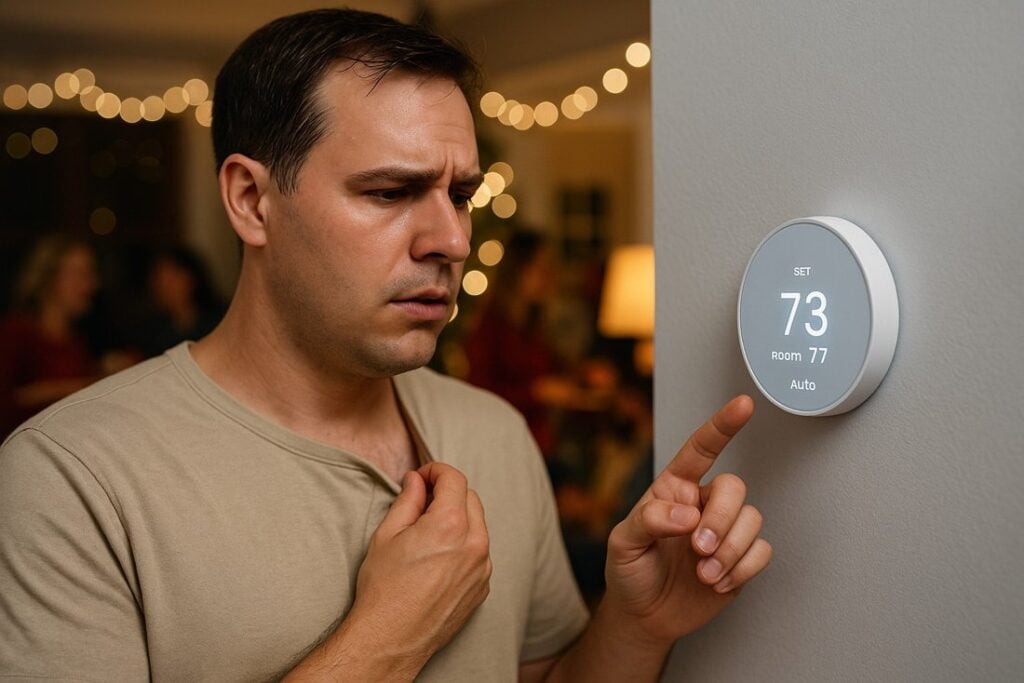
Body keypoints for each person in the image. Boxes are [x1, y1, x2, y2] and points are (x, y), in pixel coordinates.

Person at [0, 9, 772, 681]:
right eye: (390, 191)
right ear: (251, 200)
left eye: (460, 194)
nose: (452, 239)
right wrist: (386, 637)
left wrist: (637, 622)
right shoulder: (72, 479)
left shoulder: (494, 434)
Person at [0, 235, 105, 436]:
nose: (92, 284)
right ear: (48, 278)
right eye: (81, 274)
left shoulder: (77, 339)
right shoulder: (16, 332)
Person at [136, 245, 227, 358]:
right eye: (160, 281)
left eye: (171, 280)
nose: (164, 288)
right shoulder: (153, 328)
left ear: (191, 278)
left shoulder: (220, 320)